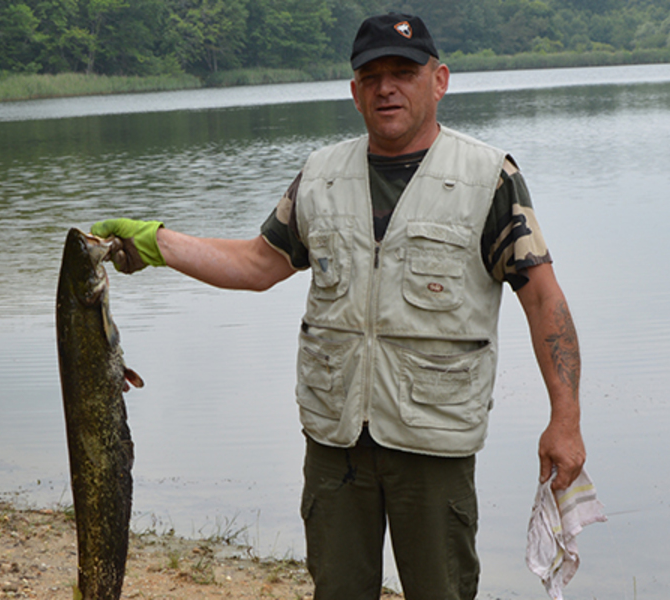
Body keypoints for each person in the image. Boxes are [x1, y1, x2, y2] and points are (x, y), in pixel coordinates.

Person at [91, 12, 586, 600]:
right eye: (371, 75)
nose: (386, 88)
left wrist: (566, 418)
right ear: (354, 92)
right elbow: (257, 264)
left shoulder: (488, 177)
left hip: (434, 442)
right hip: (335, 443)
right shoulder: (320, 176)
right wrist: (158, 243)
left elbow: (544, 299)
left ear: (440, 80)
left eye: (403, 72)